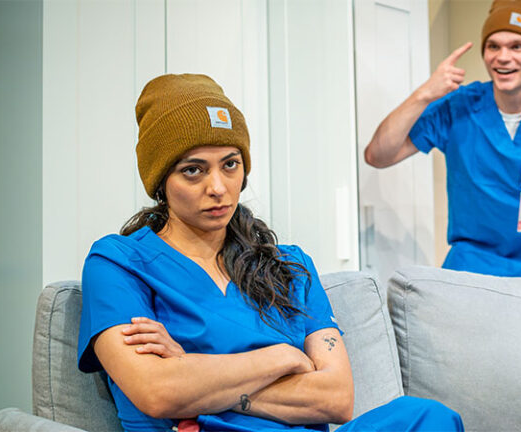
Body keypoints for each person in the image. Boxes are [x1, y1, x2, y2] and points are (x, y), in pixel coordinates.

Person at [77, 74, 463, 432]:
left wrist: (191, 371)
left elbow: (337, 398)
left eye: (230, 165)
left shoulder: (289, 266)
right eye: (193, 170)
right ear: (161, 179)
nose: (218, 187)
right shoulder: (118, 263)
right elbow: (157, 392)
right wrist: (282, 358)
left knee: (429, 417)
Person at [364, 0, 521, 277]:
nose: (503, 57)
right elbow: (378, 155)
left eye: (517, 46)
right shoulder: (458, 106)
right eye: (493, 46)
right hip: (476, 276)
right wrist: (424, 94)